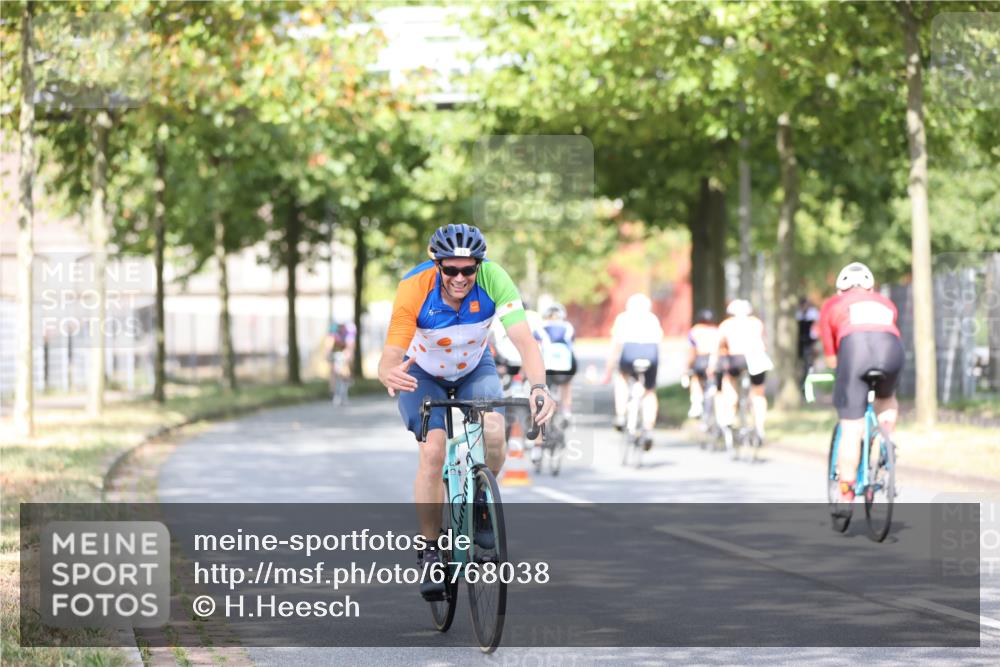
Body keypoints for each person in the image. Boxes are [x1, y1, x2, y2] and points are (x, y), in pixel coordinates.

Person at [377, 223, 557, 600]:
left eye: (468, 269)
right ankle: (429, 549)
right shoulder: (414, 287)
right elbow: (392, 351)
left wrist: (539, 387)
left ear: (479, 265)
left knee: (494, 429)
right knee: (433, 451)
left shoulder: (494, 279)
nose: (460, 278)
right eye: (451, 269)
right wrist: (387, 369)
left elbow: (525, 341)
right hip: (423, 373)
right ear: (437, 266)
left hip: (476, 367)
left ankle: (480, 506)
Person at [817, 262, 904, 516]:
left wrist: (842, 377)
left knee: (851, 428)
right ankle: (885, 440)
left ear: (840, 289)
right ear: (870, 286)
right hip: (891, 350)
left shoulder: (832, 305)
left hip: (855, 351)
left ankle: (846, 494)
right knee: (886, 398)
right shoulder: (886, 303)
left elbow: (832, 357)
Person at [603, 293, 663, 450]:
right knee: (649, 391)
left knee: (622, 377)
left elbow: (615, 345)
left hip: (630, 351)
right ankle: (648, 429)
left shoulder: (623, 318)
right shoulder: (653, 319)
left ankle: (621, 415)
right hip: (651, 352)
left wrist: (608, 369)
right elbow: (659, 343)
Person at [714, 299, 771, 440]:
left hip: (737, 358)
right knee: (758, 393)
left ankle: (729, 416)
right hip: (757, 357)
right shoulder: (756, 323)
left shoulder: (726, 325)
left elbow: (719, 345)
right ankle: (759, 426)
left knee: (729, 382)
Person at [541, 302, 577, 420]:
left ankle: (543, 410)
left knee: (544, 386)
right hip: (565, 365)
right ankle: (566, 410)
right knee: (566, 384)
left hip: (547, 365)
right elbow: (571, 342)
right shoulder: (567, 326)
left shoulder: (541, 327)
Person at [686, 309, 720, 419]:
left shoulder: (695, 330)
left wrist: (688, 367)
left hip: (701, 359)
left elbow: (692, 351)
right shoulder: (717, 330)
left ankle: (696, 404)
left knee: (695, 379)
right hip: (715, 359)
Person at [323, 320, 356, 405]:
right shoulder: (334, 327)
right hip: (336, 347)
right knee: (333, 369)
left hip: (345, 347)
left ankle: (347, 382)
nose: (341, 327)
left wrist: (348, 356)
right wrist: (327, 354)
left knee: (346, 366)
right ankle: (333, 390)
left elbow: (350, 345)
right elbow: (329, 342)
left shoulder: (350, 328)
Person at [796, 297, 820, 394]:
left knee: (808, 366)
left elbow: (816, 330)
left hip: (809, 344)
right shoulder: (797, 314)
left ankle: (806, 388)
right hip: (799, 344)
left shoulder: (813, 314)